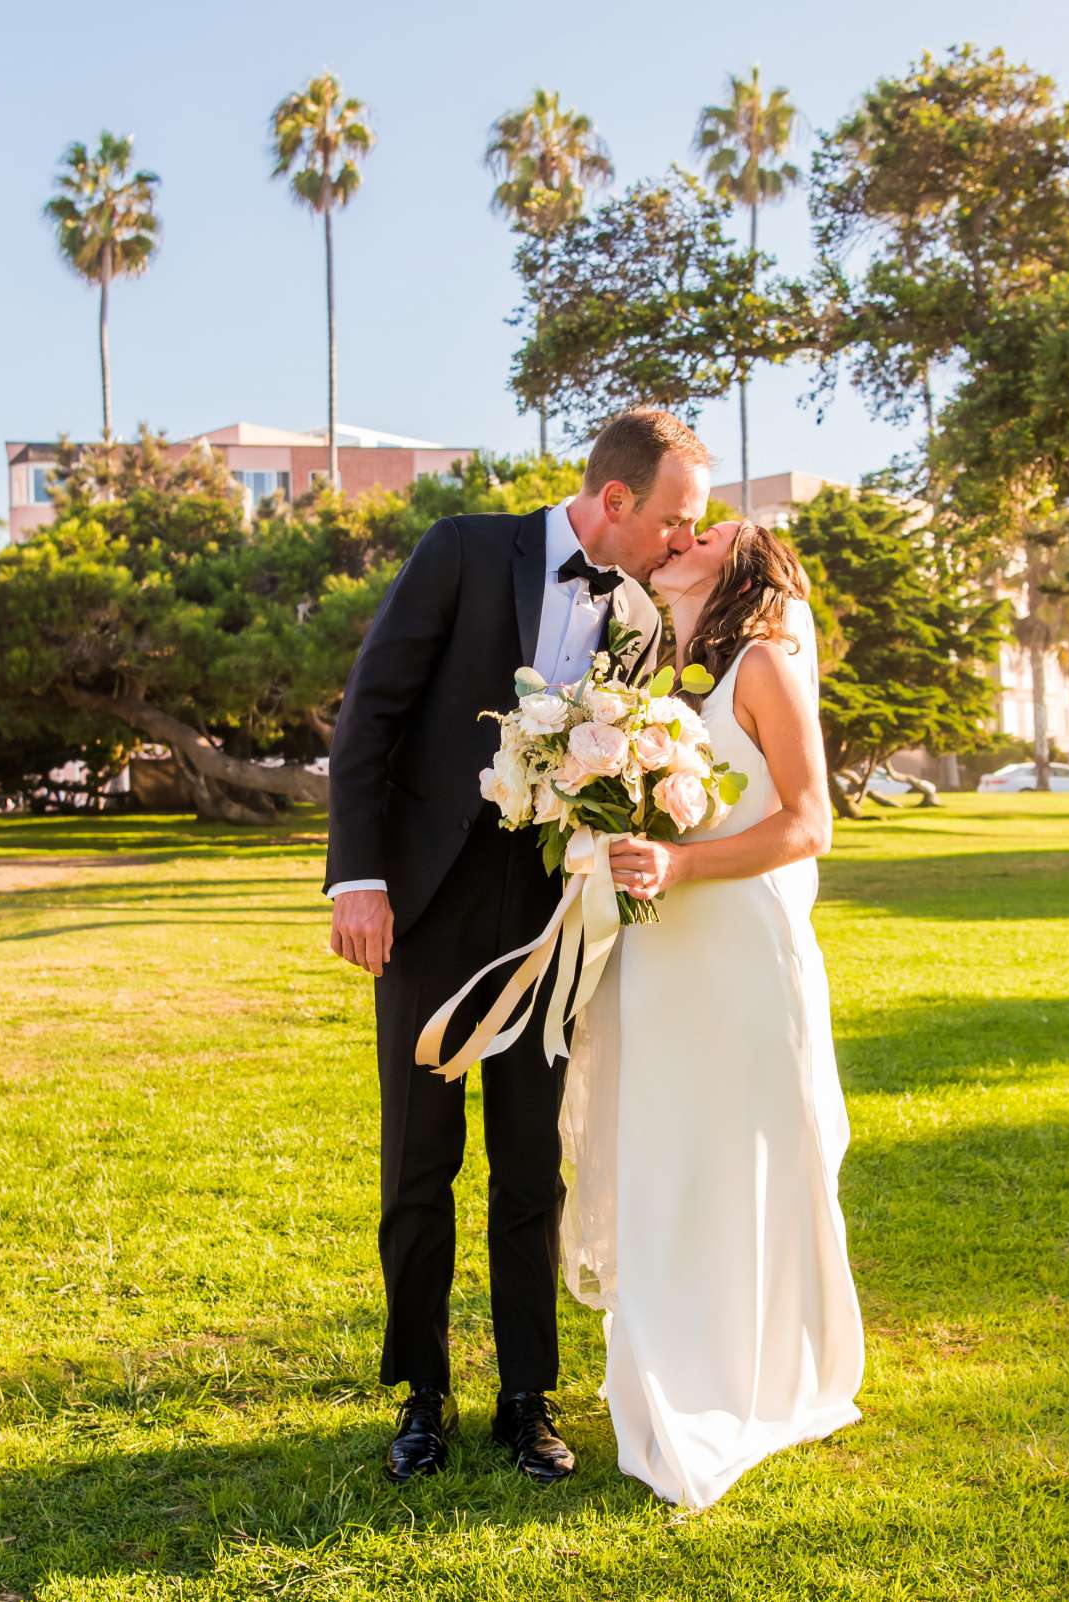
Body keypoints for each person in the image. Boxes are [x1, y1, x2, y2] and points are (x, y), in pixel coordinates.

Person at [324, 408, 703, 1485]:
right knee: (419, 1160)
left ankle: (528, 1398)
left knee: (531, 1164)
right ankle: (422, 1395)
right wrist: (358, 879)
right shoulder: (461, 550)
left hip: (548, 925)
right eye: (674, 519)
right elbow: (371, 717)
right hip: (424, 914)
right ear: (616, 502)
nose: (681, 540)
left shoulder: (633, 617)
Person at [585, 523, 864, 1508]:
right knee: (669, 1151)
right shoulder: (647, 668)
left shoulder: (764, 664)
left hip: (740, 943)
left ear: (742, 568)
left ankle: (761, 1375)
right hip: (662, 948)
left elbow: (809, 821)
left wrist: (681, 863)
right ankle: (667, 1358)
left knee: (748, 1154)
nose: (681, 535)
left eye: (708, 531)